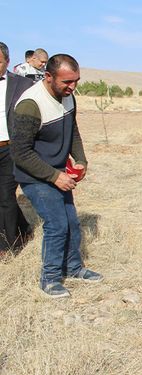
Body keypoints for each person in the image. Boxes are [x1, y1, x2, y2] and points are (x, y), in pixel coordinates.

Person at [11, 54, 102, 298]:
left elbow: (73, 132)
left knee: (71, 222)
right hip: (35, 175)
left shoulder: (68, 97)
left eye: (76, 81)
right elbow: (20, 153)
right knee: (57, 225)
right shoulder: (31, 104)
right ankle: (50, 279)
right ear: (48, 77)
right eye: (67, 82)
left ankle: (73, 268)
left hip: (58, 172)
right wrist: (54, 176)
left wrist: (80, 160)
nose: (72, 87)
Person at [0, 42, 33, 260]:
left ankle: (9, 245)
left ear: (8, 62)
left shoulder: (23, 84)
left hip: (10, 148)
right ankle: (25, 229)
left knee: (5, 196)